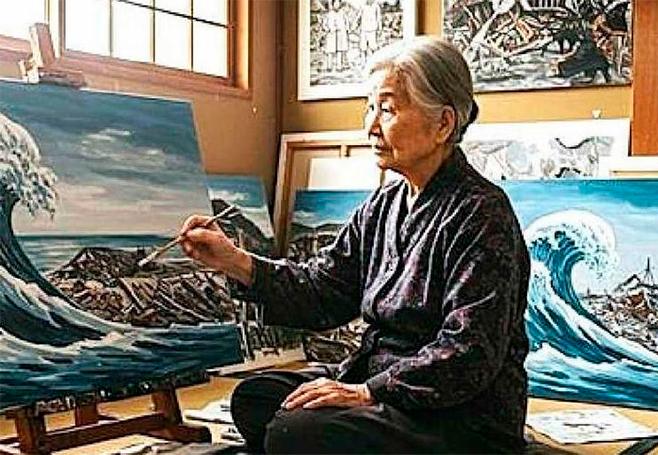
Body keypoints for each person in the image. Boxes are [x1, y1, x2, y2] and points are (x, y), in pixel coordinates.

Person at [180, 36, 530, 454]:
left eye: (387, 109)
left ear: (443, 125)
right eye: (370, 108)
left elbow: (469, 352)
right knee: (256, 399)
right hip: (380, 386)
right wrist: (236, 261)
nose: (370, 126)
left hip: (457, 414)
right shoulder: (384, 205)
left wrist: (368, 392)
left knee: (294, 431)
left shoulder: (482, 213)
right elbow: (322, 291)